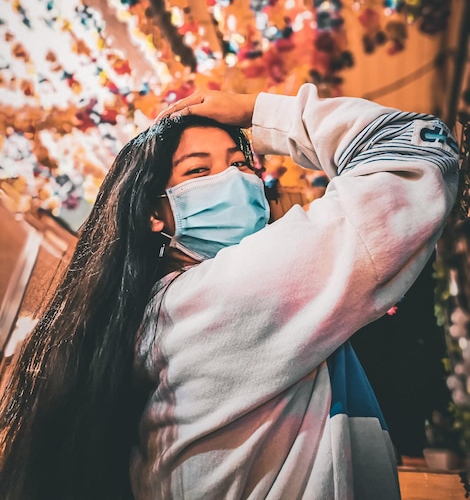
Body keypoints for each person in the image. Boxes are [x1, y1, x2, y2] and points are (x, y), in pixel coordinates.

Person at [0, 84, 459, 500]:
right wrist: (258, 111)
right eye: (199, 171)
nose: (235, 180)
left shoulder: (163, 315)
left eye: (242, 164)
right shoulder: (215, 300)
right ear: (154, 213)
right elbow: (414, 152)